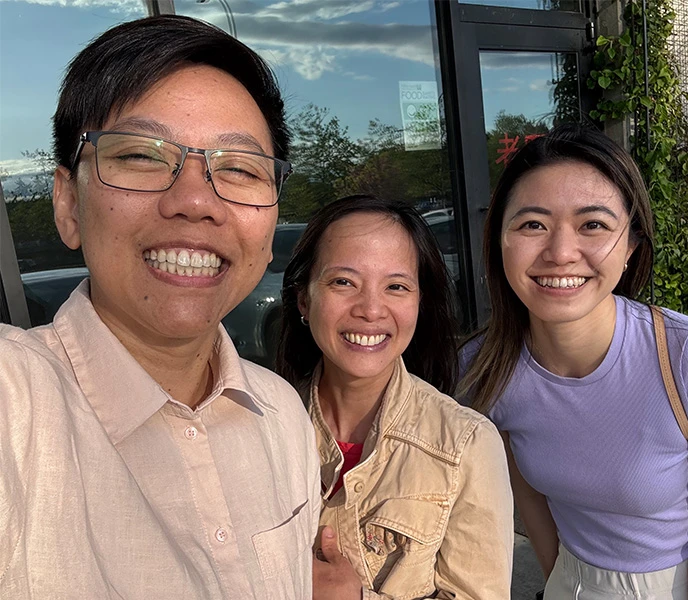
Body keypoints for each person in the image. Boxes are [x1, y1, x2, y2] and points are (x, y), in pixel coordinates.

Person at [0, 15, 319, 599]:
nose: (196, 200)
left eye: (240, 168)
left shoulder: (283, 415)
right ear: (68, 203)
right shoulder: (15, 406)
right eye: (142, 157)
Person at [458, 125, 688, 599]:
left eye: (593, 225)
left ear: (631, 246)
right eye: (532, 224)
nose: (561, 253)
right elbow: (531, 501)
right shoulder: (485, 368)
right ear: (499, 240)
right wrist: (559, 582)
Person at [276, 195, 514, 600]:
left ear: (420, 302)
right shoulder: (263, 424)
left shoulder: (465, 445)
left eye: (396, 286)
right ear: (304, 298)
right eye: (343, 282)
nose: (371, 309)